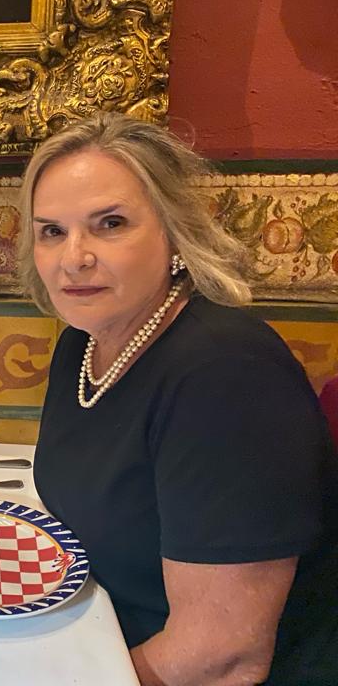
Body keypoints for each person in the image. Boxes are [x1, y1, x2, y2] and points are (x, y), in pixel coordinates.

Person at [20, 113, 338, 685]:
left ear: (173, 232)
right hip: (109, 637)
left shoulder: (227, 376)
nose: (73, 258)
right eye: (52, 231)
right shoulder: (82, 345)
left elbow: (224, 656)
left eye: (110, 224)